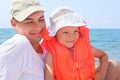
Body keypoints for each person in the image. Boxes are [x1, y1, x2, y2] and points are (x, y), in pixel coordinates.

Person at [42, 7, 108, 80]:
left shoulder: (85, 47)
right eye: (65, 32)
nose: (71, 36)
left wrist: (101, 74)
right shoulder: (51, 56)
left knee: (114, 65)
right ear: (55, 35)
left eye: (75, 31)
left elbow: (104, 55)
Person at [0, 0, 47, 80]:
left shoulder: (45, 47)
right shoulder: (18, 47)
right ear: (13, 23)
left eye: (41, 19)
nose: (38, 27)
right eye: (29, 22)